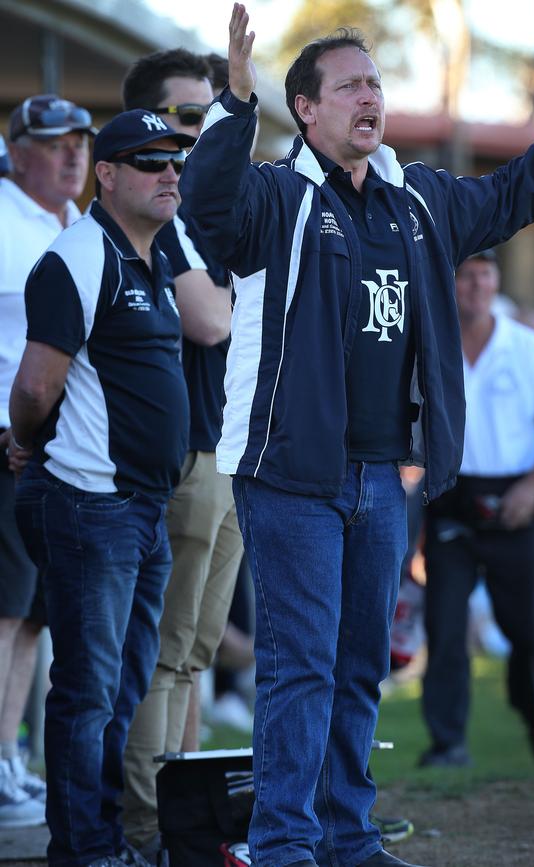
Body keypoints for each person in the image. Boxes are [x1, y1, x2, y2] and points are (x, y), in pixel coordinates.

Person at [179, 5, 534, 866]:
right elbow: (209, 211)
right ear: (307, 109)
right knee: (302, 666)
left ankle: (347, 838)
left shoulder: (420, 200)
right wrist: (233, 107)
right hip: (290, 475)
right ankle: (284, 845)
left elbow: (512, 196)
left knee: (363, 664)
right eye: (351, 84)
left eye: (377, 84)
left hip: (382, 476)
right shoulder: (277, 198)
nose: (371, 96)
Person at [8, 109, 194, 867]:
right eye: (150, 162)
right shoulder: (81, 254)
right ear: (109, 177)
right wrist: (24, 440)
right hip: (91, 506)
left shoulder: (150, 254)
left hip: (139, 511)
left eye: (174, 161)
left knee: (119, 690)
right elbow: (34, 385)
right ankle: (83, 850)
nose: (169, 174)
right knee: (87, 695)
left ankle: (105, 839)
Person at [120, 49, 244, 862]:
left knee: (195, 658)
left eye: (210, 118)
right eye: (187, 118)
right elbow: (215, 320)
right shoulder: (161, 218)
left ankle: (187, 829)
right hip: (185, 457)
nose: (201, 135)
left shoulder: (205, 210)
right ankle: (143, 828)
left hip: (226, 452)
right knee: (166, 658)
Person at [419, 249, 534, 768]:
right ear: (450, 284)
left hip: (516, 498)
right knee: (445, 630)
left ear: (497, 282)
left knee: (529, 630)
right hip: (451, 496)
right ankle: (448, 742)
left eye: (484, 275)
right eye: (465, 275)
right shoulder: (431, 340)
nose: (474, 286)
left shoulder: (528, 348)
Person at [0, 95, 95, 829]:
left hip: (54, 450)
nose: (72, 154)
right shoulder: (2, 217)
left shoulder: (76, 225)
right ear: (17, 149)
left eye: (81, 141)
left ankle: (10, 760)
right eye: (54, 142)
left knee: (33, 616)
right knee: (4, 613)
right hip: (6, 441)